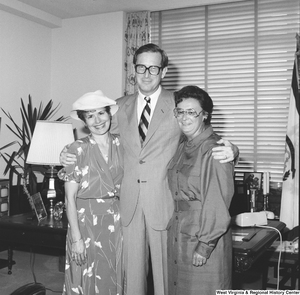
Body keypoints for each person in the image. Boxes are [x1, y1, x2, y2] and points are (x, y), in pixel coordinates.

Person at [61, 43, 238, 295]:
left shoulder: (178, 104)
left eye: (153, 68)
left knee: (168, 280)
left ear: (163, 72)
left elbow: (200, 136)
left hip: (165, 206)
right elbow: (97, 140)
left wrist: (233, 151)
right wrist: (65, 153)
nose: (146, 74)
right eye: (141, 67)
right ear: (133, 70)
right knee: (131, 281)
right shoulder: (117, 107)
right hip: (127, 206)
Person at [167, 85, 234, 295]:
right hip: (180, 234)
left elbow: (218, 202)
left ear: (205, 115)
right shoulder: (182, 146)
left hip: (203, 237)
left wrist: (204, 245)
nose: (184, 117)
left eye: (191, 112)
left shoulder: (215, 149)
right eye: (180, 111)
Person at [58, 90, 124, 295]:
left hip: (116, 222)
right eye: (90, 116)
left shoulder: (124, 144)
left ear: (109, 115)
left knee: (113, 276)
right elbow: (69, 199)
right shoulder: (76, 149)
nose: (97, 120)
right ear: (84, 122)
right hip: (85, 224)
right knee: (84, 277)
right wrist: (76, 238)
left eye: (101, 113)